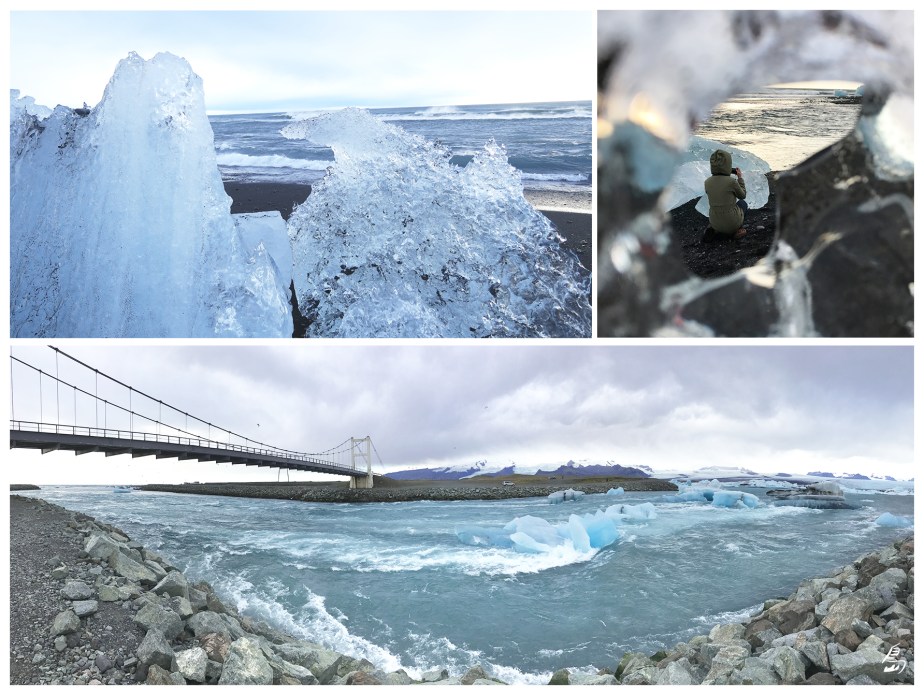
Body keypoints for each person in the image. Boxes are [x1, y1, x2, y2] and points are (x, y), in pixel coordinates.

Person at [703, 149, 747, 240]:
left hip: (715, 221)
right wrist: (740, 178)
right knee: (743, 203)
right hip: (731, 221)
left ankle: (714, 230)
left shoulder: (707, 182)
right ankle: (737, 230)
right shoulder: (731, 181)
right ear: (728, 165)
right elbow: (742, 195)